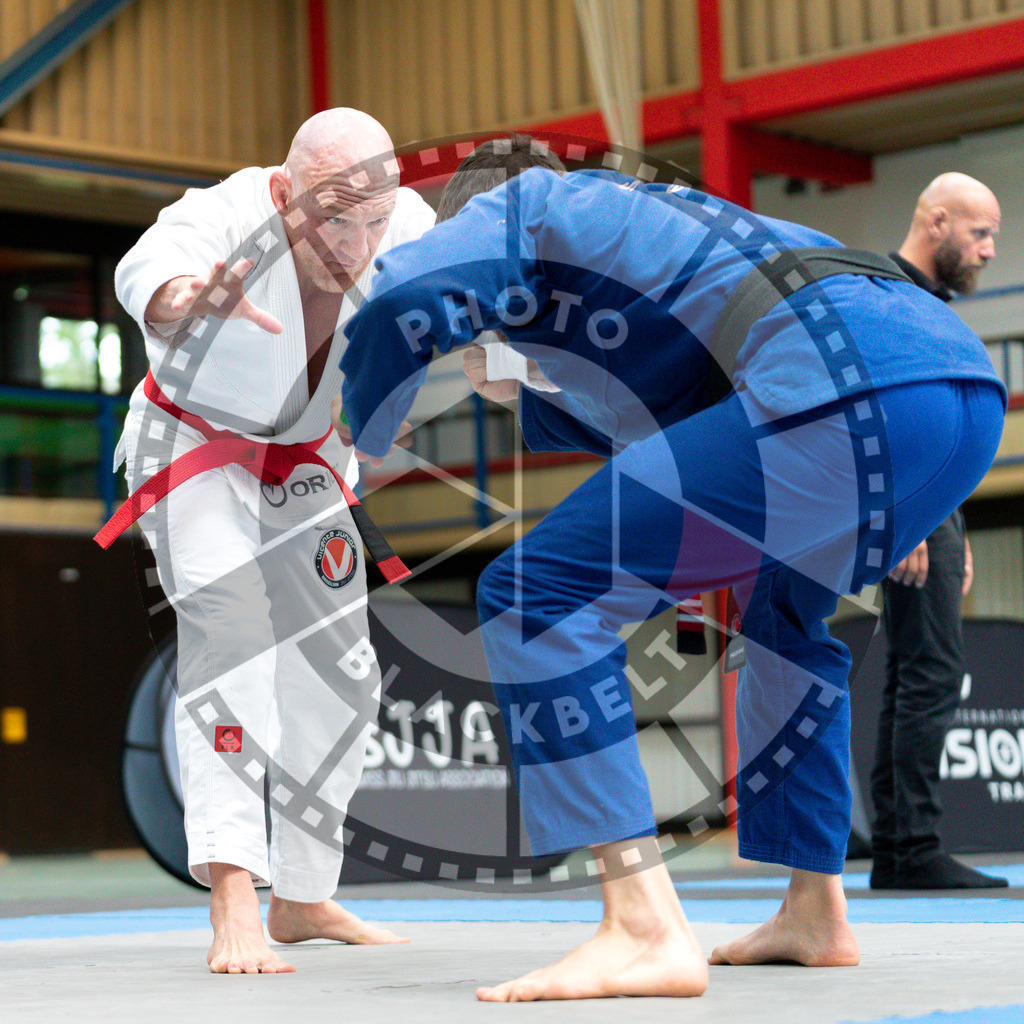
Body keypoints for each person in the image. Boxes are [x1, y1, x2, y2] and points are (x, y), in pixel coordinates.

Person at [339, 137, 1005, 1001]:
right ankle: (816, 913)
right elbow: (675, 428)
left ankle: (642, 928)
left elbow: (405, 294)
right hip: (955, 386)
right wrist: (528, 393)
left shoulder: (529, 199)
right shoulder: (661, 225)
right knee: (780, 619)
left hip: (840, 389)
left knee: (538, 588)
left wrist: (369, 421)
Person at [107, 107, 434, 973]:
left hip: (305, 462)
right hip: (193, 449)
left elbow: (452, 295)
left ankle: (304, 894)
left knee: (344, 674)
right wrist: (188, 299)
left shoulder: (400, 222)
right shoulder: (221, 216)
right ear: (286, 192)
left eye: (374, 218)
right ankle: (233, 897)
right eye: (334, 215)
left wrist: (494, 354)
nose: (358, 241)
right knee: (236, 636)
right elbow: (148, 272)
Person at [868, 173, 1006, 890]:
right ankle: (913, 847)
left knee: (915, 673)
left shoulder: (929, 304)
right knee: (932, 673)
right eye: (979, 234)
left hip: (932, 505)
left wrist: (957, 525)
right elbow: (882, 414)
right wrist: (904, 518)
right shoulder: (891, 296)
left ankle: (898, 851)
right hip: (908, 505)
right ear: (937, 220)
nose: (988, 251)